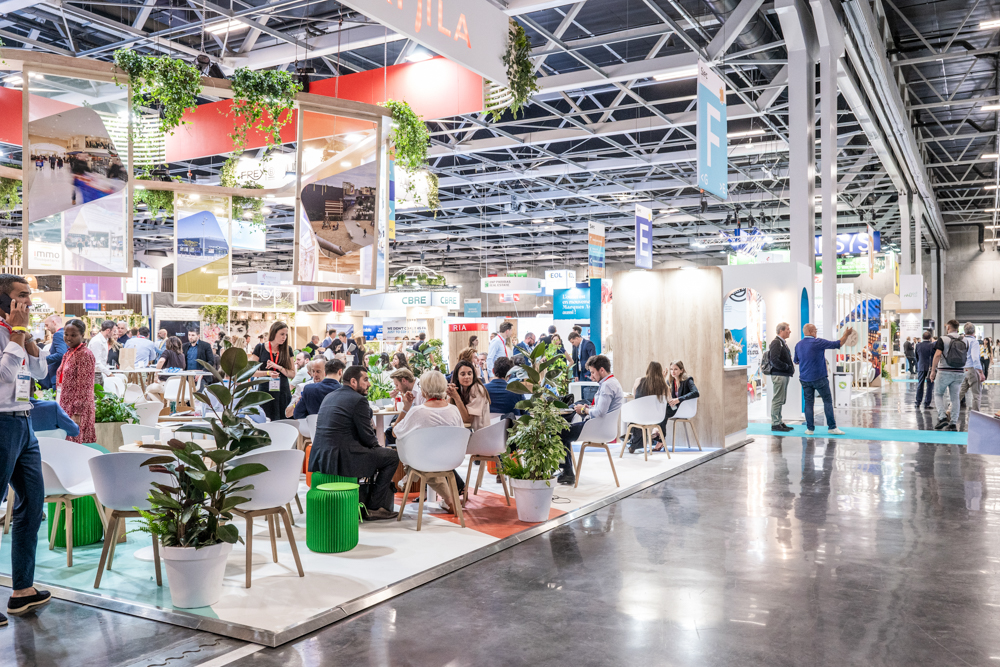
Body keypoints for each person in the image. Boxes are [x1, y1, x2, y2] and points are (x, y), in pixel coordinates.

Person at [0, 273, 52, 621]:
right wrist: (18, 336)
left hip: (24, 421)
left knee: (32, 505)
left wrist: (29, 344)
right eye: (22, 296)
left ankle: (22, 590)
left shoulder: (17, 334)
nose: (29, 303)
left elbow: (40, 373)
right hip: (1, 423)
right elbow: (3, 377)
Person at [309, 366, 399, 520]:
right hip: (344, 457)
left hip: (321, 456)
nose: (369, 384)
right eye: (365, 380)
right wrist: (379, 449)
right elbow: (368, 437)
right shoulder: (359, 400)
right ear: (353, 381)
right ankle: (375, 507)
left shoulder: (329, 396)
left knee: (380, 455)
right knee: (391, 457)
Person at [392, 370, 465, 514]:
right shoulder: (454, 411)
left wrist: (406, 408)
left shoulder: (417, 411)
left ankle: (450, 501)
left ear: (424, 392)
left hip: (424, 461)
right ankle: (450, 501)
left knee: (420, 461)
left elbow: (395, 432)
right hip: (450, 459)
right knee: (430, 458)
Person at [557, 355, 623, 485]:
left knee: (559, 432)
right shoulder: (612, 382)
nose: (591, 376)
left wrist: (583, 410)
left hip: (598, 428)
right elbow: (602, 409)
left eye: (593, 372)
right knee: (564, 429)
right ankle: (567, 471)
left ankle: (567, 472)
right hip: (603, 426)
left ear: (602, 370)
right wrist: (588, 407)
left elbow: (600, 412)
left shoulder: (607, 386)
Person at [793, 323, 853, 435]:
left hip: (805, 379)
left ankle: (810, 429)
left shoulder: (798, 345)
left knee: (808, 403)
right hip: (819, 377)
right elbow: (838, 343)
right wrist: (846, 334)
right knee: (827, 401)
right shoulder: (818, 342)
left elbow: (796, 361)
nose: (816, 332)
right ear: (812, 332)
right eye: (815, 330)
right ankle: (832, 427)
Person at [55, 319, 95, 444]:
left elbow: (84, 386)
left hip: (77, 408)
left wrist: (78, 412)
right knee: (66, 443)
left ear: (82, 335)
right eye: (66, 334)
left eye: (73, 335)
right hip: (64, 404)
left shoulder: (85, 354)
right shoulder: (68, 353)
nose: (68, 338)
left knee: (75, 445)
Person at [250, 321, 295, 422]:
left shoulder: (287, 349)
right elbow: (250, 371)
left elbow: (292, 374)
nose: (284, 337)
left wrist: (278, 367)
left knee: (284, 421)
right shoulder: (260, 348)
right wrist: (267, 373)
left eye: (286, 335)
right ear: (274, 333)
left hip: (282, 390)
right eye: (282, 334)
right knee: (266, 420)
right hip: (265, 390)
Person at [931, 320, 967, 432]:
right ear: (958, 328)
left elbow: (937, 355)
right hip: (959, 372)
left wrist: (933, 370)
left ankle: (942, 417)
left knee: (938, 394)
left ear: (948, 327)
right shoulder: (965, 340)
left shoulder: (943, 339)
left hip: (944, 371)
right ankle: (953, 423)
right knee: (955, 397)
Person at [627, 361, 670, 453]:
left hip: (639, 417)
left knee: (637, 418)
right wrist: (663, 379)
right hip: (657, 418)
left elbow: (635, 398)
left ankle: (634, 443)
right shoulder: (664, 386)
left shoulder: (638, 380)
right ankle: (657, 439)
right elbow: (668, 400)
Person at [447, 359, 490, 430]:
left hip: (479, 435)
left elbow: (467, 419)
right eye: (463, 374)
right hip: (465, 432)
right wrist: (450, 395)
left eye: (469, 373)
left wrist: (456, 397)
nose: (467, 377)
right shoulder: (460, 389)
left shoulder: (477, 389)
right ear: (457, 377)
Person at [768, 322, 795, 432]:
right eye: (788, 329)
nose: (790, 331)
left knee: (781, 399)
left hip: (783, 374)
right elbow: (774, 360)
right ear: (781, 331)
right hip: (779, 375)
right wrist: (786, 366)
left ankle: (779, 421)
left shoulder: (782, 343)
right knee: (778, 399)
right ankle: (775, 423)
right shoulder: (776, 342)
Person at [145, 336, 185, 405]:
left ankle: (161, 405)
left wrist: (156, 374)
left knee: (148, 389)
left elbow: (161, 361)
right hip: (178, 384)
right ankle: (166, 405)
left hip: (166, 383)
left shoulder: (167, 352)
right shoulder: (182, 355)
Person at [957, 322, 985, 414]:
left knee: (960, 393)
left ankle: (949, 411)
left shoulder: (961, 341)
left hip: (962, 369)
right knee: (976, 395)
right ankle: (976, 416)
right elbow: (975, 358)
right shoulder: (974, 342)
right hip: (971, 369)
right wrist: (980, 372)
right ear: (974, 331)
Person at [39, 315, 65, 390]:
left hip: (57, 376)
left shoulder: (58, 334)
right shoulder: (64, 333)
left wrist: (43, 359)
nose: (46, 328)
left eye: (47, 325)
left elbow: (61, 354)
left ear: (54, 322)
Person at [914, 329, 936, 409]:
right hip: (930, 367)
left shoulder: (918, 345)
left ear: (922, 337)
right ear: (930, 337)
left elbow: (916, 356)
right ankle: (927, 403)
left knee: (920, 384)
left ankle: (918, 402)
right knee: (930, 385)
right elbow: (934, 357)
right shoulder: (933, 345)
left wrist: (919, 364)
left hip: (921, 366)